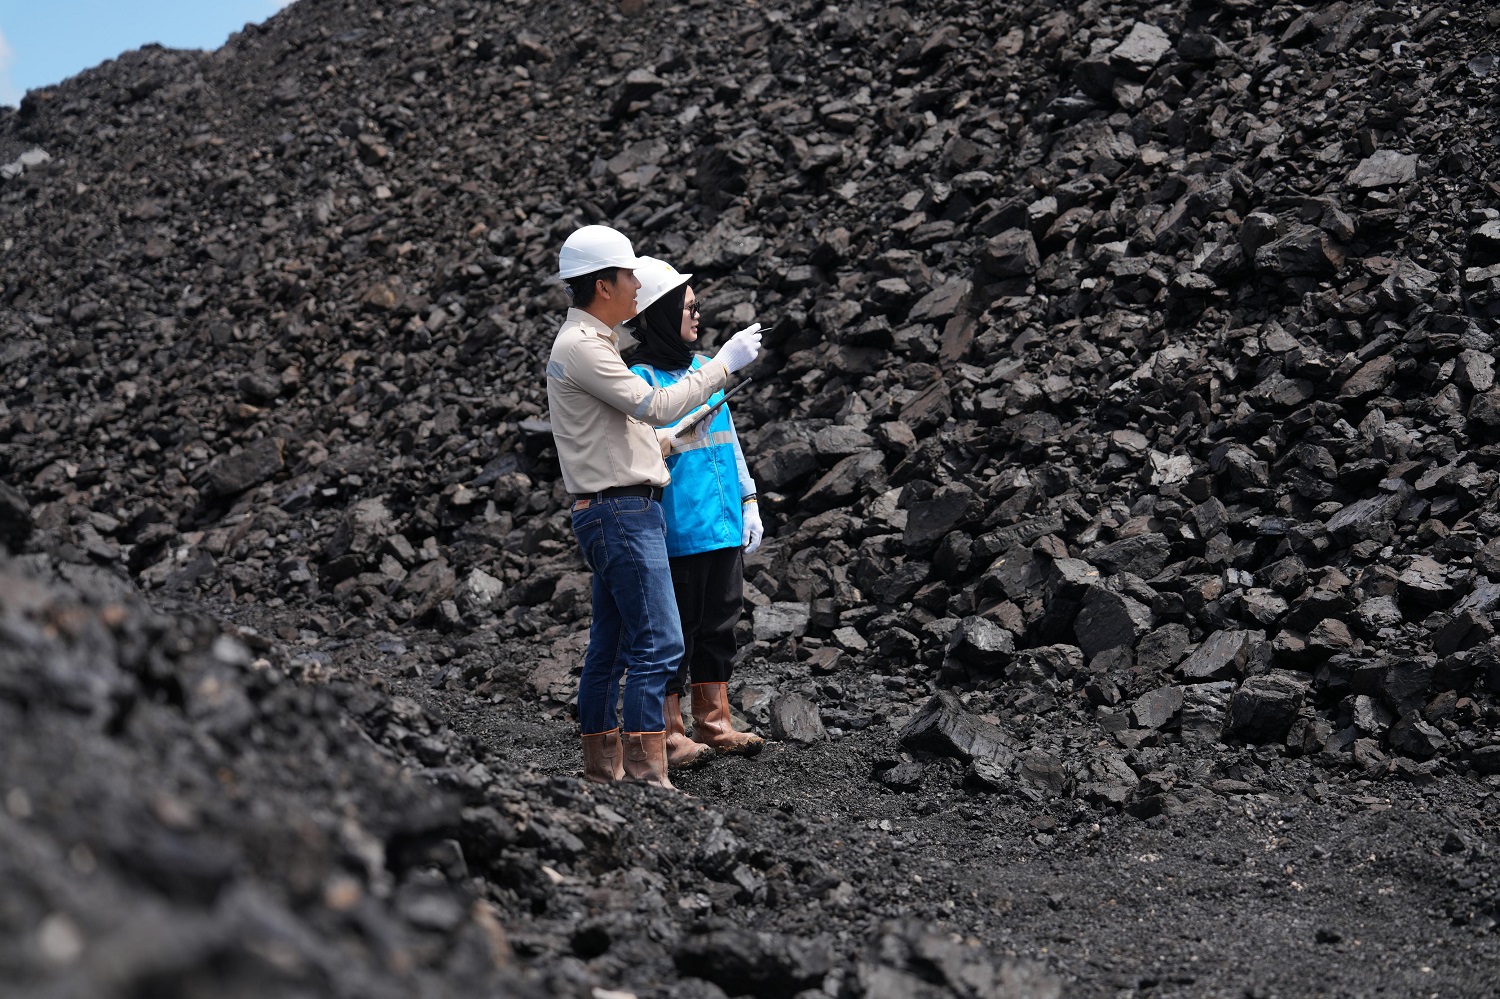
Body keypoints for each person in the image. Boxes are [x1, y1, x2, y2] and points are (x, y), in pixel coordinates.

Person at [546, 225, 763, 790]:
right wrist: (725, 364)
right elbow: (655, 404)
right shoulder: (585, 347)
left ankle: (605, 768)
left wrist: (660, 444)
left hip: (619, 507)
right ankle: (647, 770)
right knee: (660, 641)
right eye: (628, 276)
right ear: (603, 284)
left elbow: (620, 431)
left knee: (612, 645)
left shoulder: (592, 344)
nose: (637, 287)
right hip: (622, 511)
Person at [626, 257, 767, 770]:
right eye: (688, 308)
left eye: (697, 306)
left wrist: (749, 500)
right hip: (678, 529)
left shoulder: (703, 368)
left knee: (720, 625)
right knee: (676, 633)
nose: (697, 316)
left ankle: (715, 724)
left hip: (723, 523)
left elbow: (731, 445)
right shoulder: (640, 380)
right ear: (662, 315)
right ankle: (669, 733)